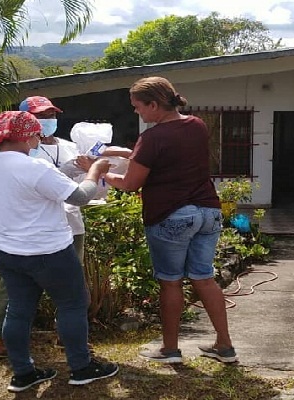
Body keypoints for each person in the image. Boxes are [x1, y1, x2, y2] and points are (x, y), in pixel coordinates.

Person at [78, 76, 237, 364]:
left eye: (138, 107)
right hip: (207, 212)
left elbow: (129, 184)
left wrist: (97, 170)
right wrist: (125, 152)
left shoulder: (152, 138)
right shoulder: (196, 125)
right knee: (204, 278)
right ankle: (224, 345)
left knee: (171, 283)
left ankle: (170, 350)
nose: (136, 112)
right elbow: (169, 157)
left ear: (153, 104)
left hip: (171, 215)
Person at [0, 111, 119, 392]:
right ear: (26, 136)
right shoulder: (35, 167)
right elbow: (80, 197)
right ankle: (81, 367)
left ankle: (24, 373)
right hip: (48, 251)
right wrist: (95, 171)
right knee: (72, 304)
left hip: (5, 251)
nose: (38, 137)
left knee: (18, 309)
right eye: (35, 133)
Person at [0, 96, 86, 358]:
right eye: (41, 116)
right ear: (25, 121)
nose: (47, 121)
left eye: (52, 115)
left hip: (68, 224)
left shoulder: (69, 146)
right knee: (16, 294)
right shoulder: (23, 152)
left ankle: (67, 339)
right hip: (32, 235)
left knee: (69, 291)